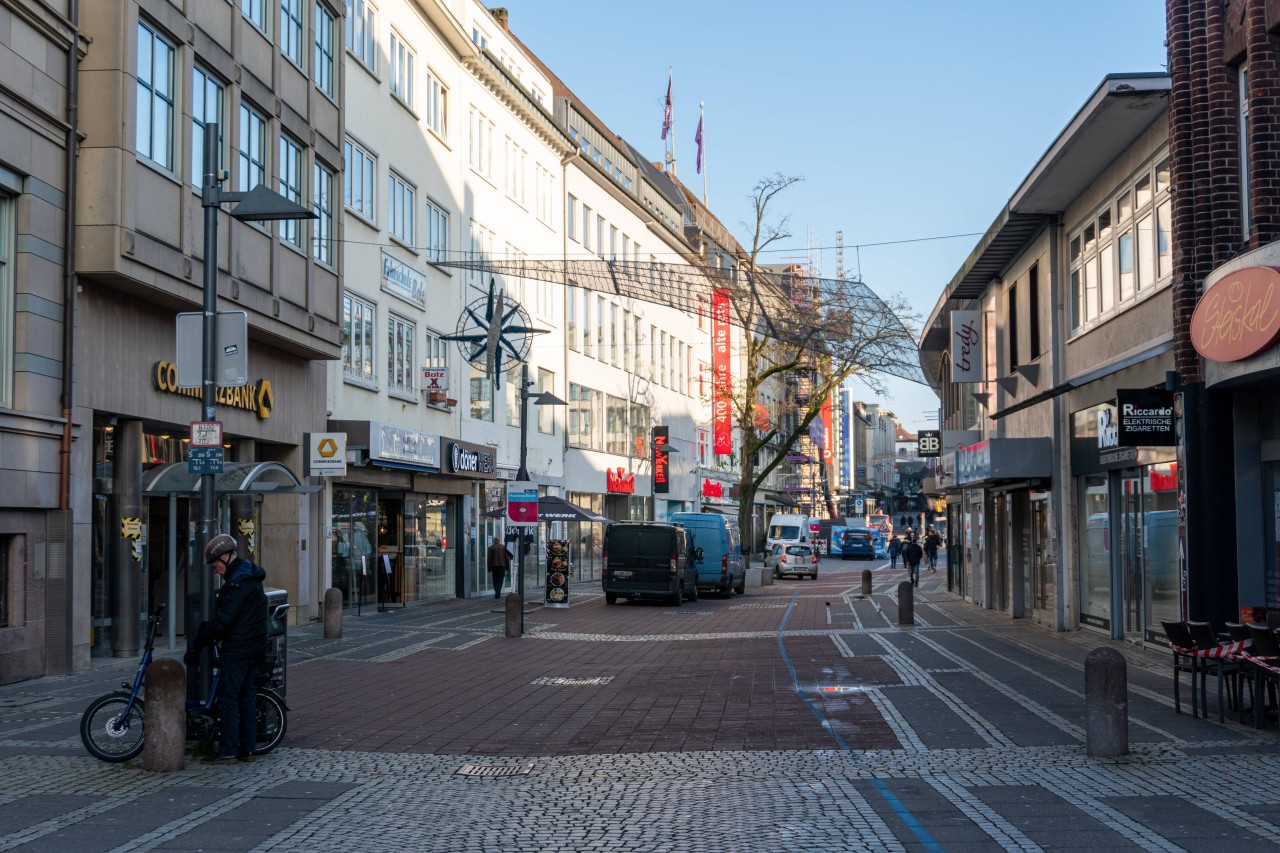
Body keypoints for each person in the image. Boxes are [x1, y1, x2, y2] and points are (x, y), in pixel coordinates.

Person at [185, 533, 268, 765]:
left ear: (226, 557)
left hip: (238, 649)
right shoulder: (250, 576)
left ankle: (228, 751)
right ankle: (247, 749)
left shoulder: (236, 584)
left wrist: (199, 641)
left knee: (228, 699)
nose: (215, 570)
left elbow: (224, 621)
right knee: (246, 697)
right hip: (254, 648)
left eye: (215, 565)